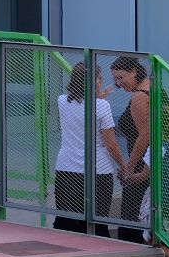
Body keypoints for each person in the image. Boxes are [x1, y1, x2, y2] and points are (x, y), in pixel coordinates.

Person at [53, 62, 130, 233]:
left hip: (67, 169)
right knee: (97, 223)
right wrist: (123, 167)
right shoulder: (102, 106)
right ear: (93, 82)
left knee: (65, 222)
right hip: (98, 172)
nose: (102, 82)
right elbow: (111, 143)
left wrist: (98, 97)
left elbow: (81, 108)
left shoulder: (62, 101)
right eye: (100, 79)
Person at [109, 55, 154, 243]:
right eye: (115, 79)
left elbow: (145, 136)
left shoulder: (139, 96)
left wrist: (129, 167)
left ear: (134, 72)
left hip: (141, 164)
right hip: (147, 162)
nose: (119, 84)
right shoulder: (150, 87)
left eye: (121, 77)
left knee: (131, 215)